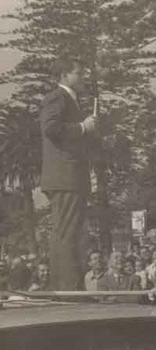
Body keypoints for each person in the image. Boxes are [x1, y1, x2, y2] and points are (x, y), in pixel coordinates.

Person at [40, 57, 99, 290]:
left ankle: (70, 285)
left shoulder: (72, 101)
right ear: (64, 75)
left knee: (72, 232)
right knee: (65, 232)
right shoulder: (57, 97)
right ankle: (66, 288)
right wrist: (83, 127)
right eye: (78, 72)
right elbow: (51, 128)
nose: (82, 76)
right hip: (65, 178)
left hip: (72, 178)